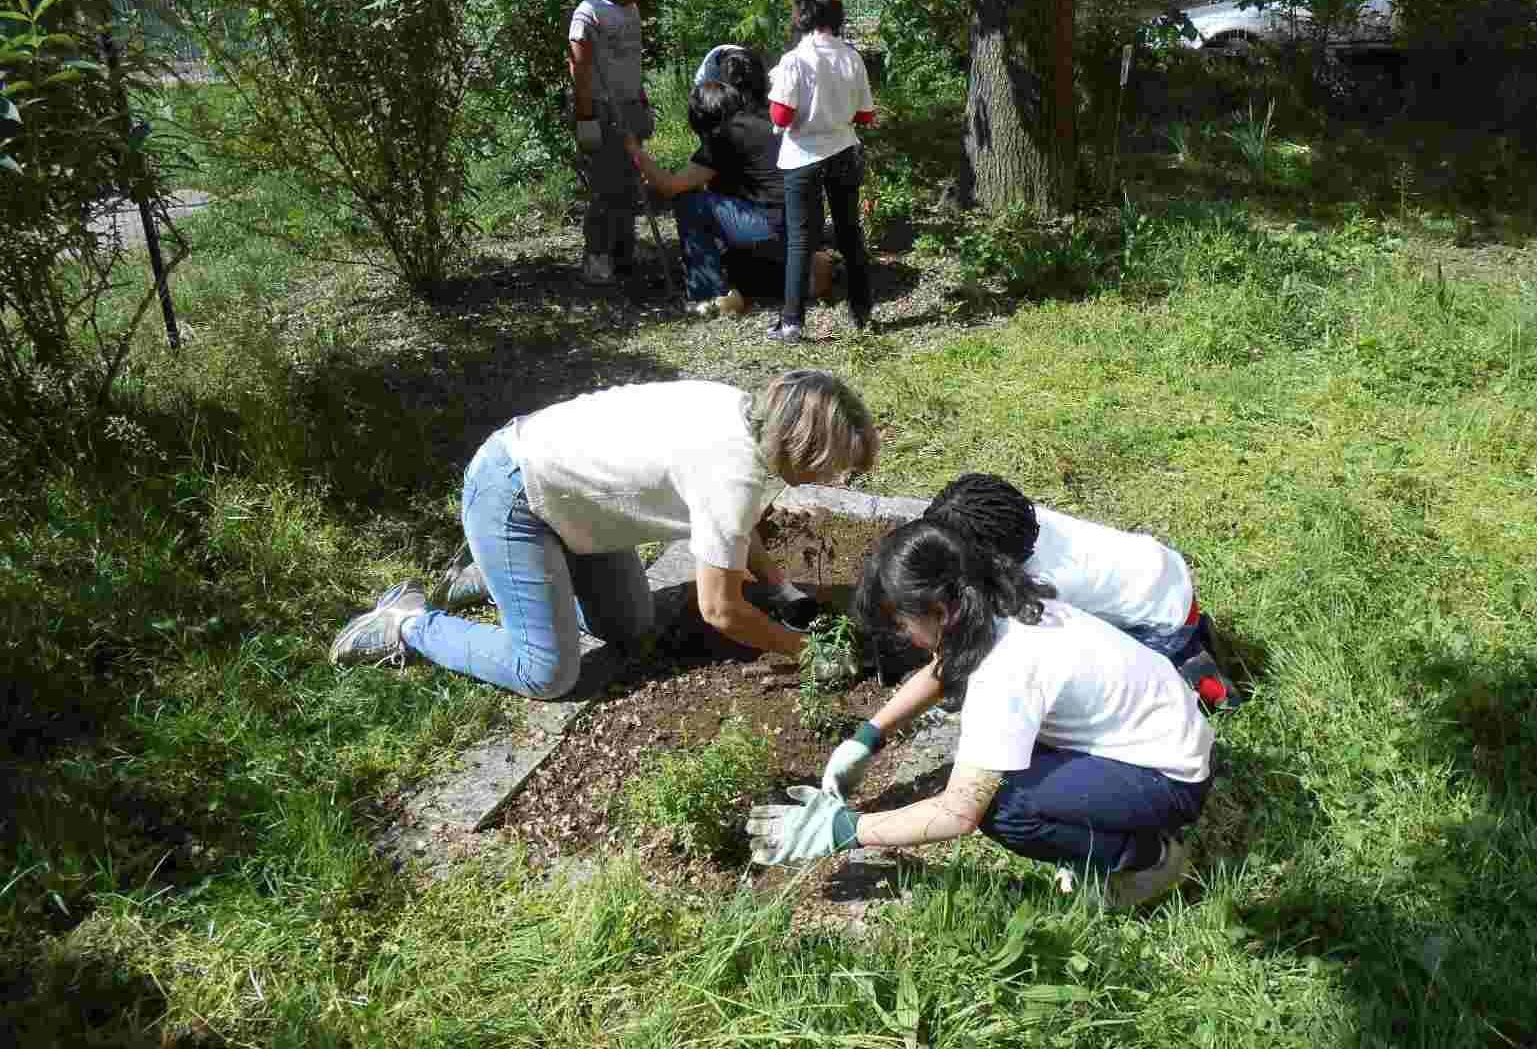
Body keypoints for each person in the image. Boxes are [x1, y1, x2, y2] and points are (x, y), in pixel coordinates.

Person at [746, 520, 1215, 908]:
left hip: (1169, 778)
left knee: (1002, 805)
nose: (906, 635)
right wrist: (869, 735)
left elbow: (958, 814)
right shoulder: (1001, 603)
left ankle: (1147, 859)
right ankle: (1114, 830)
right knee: (995, 772)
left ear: (939, 611)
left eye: (905, 622)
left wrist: (846, 829)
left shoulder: (1006, 673)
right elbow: (944, 669)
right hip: (1167, 730)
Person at [329, 372, 878, 699]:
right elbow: (720, 611)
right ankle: (407, 622)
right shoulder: (730, 470)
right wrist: (805, 651)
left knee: (630, 626)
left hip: (578, 511)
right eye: (834, 466)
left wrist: (780, 588)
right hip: (513, 493)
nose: (838, 479)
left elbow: (737, 525)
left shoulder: (751, 417)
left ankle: (498, 573)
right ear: (801, 446)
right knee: (545, 673)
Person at [922, 473, 1240, 708]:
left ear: (989, 557)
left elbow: (1020, 653)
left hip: (1161, 621)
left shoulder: (1044, 586)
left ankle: (1200, 682)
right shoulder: (1016, 525)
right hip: (1163, 577)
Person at [627, 51, 784, 316]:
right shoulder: (759, 122)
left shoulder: (723, 138)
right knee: (711, 199)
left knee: (689, 202)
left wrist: (634, 151)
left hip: (768, 224)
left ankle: (708, 292)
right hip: (797, 223)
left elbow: (671, 187)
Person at [766, 0, 875, 345]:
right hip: (843, 149)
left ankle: (792, 322)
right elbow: (865, 114)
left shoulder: (794, 60)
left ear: (803, 17)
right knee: (849, 233)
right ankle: (862, 313)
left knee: (801, 239)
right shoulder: (851, 57)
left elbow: (781, 115)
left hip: (803, 156)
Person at [569, 0, 657, 287]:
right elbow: (579, 66)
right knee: (604, 187)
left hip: (631, 106)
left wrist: (642, 101)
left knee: (629, 185)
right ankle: (597, 257)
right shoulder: (588, 13)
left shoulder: (630, 7)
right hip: (603, 110)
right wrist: (586, 117)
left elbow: (632, 60)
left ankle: (624, 250)